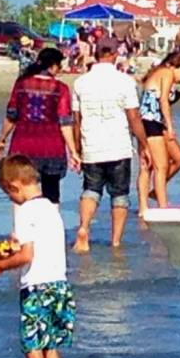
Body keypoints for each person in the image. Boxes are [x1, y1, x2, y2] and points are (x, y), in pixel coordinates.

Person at [0, 155, 75, 358]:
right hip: (59, 286)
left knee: (33, 349)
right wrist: (8, 249)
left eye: (9, 194)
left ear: (15, 186)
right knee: (52, 347)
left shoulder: (25, 211)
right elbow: (35, 245)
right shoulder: (50, 208)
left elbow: (27, 256)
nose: (11, 199)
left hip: (36, 288)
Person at [71, 40, 151, 251]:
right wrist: (144, 145)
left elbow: (76, 120)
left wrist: (77, 149)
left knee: (91, 190)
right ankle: (115, 242)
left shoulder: (81, 82)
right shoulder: (125, 82)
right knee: (119, 194)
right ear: (115, 54)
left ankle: (84, 227)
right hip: (118, 145)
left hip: (92, 145)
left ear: (95, 54)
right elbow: (134, 117)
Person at [0, 48, 80, 204]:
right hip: (52, 147)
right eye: (59, 66)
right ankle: (52, 227)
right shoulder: (60, 89)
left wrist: (1, 140)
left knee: (21, 192)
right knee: (52, 193)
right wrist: (73, 152)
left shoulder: (21, 84)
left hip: (23, 145)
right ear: (53, 66)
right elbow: (65, 123)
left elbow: (12, 116)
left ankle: (21, 227)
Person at [137, 51, 180, 214]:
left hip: (156, 121)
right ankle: (160, 208)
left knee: (179, 158)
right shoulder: (167, 73)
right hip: (149, 121)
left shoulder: (161, 73)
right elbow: (163, 100)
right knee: (157, 166)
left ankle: (155, 192)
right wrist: (170, 126)